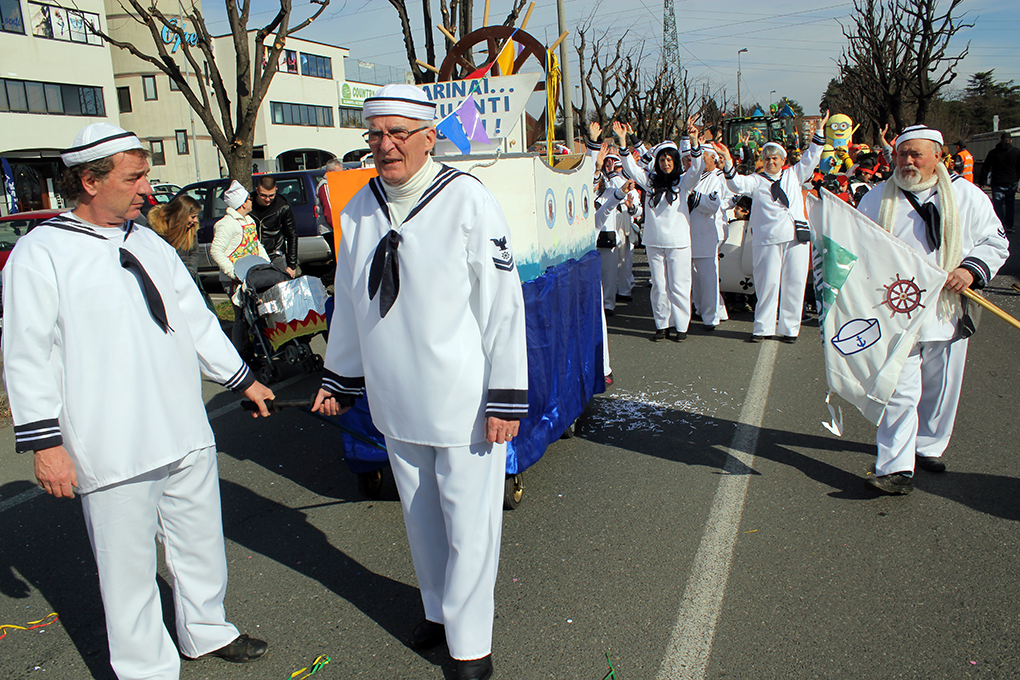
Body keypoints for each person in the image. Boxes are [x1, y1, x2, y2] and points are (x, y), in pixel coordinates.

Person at [1, 122, 275, 680]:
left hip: (182, 427)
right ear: (89, 181)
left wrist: (240, 379)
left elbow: (195, 320)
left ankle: (206, 629)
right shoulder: (40, 254)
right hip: (112, 442)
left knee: (198, 542)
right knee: (126, 572)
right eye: (133, 178)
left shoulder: (148, 241)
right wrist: (45, 443)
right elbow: (25, 355)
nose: (146, 188)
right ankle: (146, 667)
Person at [311, 84, 528, 680]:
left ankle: (471, 646)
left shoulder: (467, 200)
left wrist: (506, 394)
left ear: (429, 137)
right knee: (421, 515)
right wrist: (339, 378)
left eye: (397, 133)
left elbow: (501, 303)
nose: (385, 146)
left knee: (469, 521)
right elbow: (353, 303)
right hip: (395, 397)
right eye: (375, 134)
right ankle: (437, 610)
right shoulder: (357, 207)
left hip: (462, 399)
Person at [856, 124, 1009, 494]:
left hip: (948, 308)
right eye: (901, 154)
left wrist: (970, 270)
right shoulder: (877, 198)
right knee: (899, 389)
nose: (907, 161)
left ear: (937, 156)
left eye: (916, 154)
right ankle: (895, 468)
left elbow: (995, 241)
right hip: (897, 311)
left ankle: (929, 444)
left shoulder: (967, 196)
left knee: (942, 386)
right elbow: (857, 244)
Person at [716, 111, 829, 343]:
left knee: (794, 283)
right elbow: (737, 184)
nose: (771, 162)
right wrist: (728, 162)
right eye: (767, 158)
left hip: (795, 238)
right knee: (767, 284)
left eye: (775, 158)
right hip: (767, 240)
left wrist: (819, 131)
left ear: (783, 160)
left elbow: (812, 157)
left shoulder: (794, 175)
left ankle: (790, 329)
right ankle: (762, 328)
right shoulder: (756, 181)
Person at [618, 118, 704, 341]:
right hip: (654, 241)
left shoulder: (683, 182)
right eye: (663, 159)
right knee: (659, 285)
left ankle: (681, 326)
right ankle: (662, 324)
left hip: (678, 242)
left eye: (669, 159)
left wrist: (694, 142)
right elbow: (631, 168)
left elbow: (697, 169)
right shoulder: (650, 181)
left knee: (679, 285)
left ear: (675, 161)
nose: (666, 163)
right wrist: (622, 141)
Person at [210, 180, 271, 360]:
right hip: (235, 279)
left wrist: (267, 265)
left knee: (257, 314)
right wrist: (233, 273)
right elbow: (216, 251)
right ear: (242, 203)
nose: (252, 200)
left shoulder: (249, 220)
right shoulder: (226, 224)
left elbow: (256, 245)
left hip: (252, 276)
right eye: (249, 198)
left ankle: (261, 349)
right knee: (240, 318)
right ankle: (241, 354)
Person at [147, 193, 213, 311]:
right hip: (164, 283)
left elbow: (194, 252)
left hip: (186, 280)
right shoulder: (156, 232)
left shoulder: (191, 229)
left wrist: (190, 271)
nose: (195, 220)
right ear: (181, 215)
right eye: (192, 216)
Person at [688, 146, 729, 330]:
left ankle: (711, 316)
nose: (699, 162)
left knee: (708, 278)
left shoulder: (716, 179)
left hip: (707, 234)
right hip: (689, 234)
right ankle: (700, 308)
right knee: (695, 278)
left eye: (704, 158)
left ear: (713, 159)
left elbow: (713, 204)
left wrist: (694, 197)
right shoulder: (690, 177)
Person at [250, 175, 298, 276]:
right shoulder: (249, 205)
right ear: (257, 190)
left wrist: (292, 265)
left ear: (276, 190)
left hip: (275, 255)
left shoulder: (283, 206)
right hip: (254, 255)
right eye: (263, 195)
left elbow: (292, 235)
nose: (267, 199)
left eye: (271, 195)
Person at [977, 133, 1020, 233]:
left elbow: (986, 167)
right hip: (1011, 181)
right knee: (1010, 204)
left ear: (1000, 140)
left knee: (998, 205)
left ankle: (1000, 225)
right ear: (1011, 141)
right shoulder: (1016, 152)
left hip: (997, 181)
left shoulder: (993, 153)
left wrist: (981, 180)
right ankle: (1010, 226)